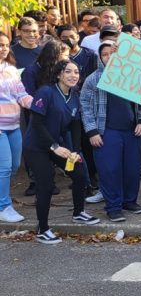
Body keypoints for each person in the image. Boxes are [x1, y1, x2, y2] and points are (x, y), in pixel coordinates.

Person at [23, 60, 99, 244]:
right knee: (46, 185)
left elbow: (75, 126)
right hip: (37, 146)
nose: (73, 75)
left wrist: (75, 151)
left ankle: (78, 213)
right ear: (59, 74)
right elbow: (37, 124)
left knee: (80, 174)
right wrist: (55, 147)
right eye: (68, 72)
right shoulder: (46, 92)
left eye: (76, 72)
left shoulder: (74, 96)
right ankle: (43, 229)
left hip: (58, 145)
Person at [81, 42, 141, 222]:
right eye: (105, 54)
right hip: (106, 132)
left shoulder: (133, 77)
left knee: (132, 169)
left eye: (114, 53)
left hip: (131, 132)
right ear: (100, 57)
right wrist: (92, 131)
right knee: (109, 170)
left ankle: (129, 201)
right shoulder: (93, 80)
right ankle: (113, 206)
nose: (110, 57)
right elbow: (85, 107)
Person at [0, 33, 32, 223]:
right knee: (4, 168)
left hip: (14, 125)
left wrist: (38, 104)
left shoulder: (11, 69)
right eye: (0, 45)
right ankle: (4, 206)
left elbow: (21, 94)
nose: (3, 48)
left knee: (14, 166)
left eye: (5, 45)